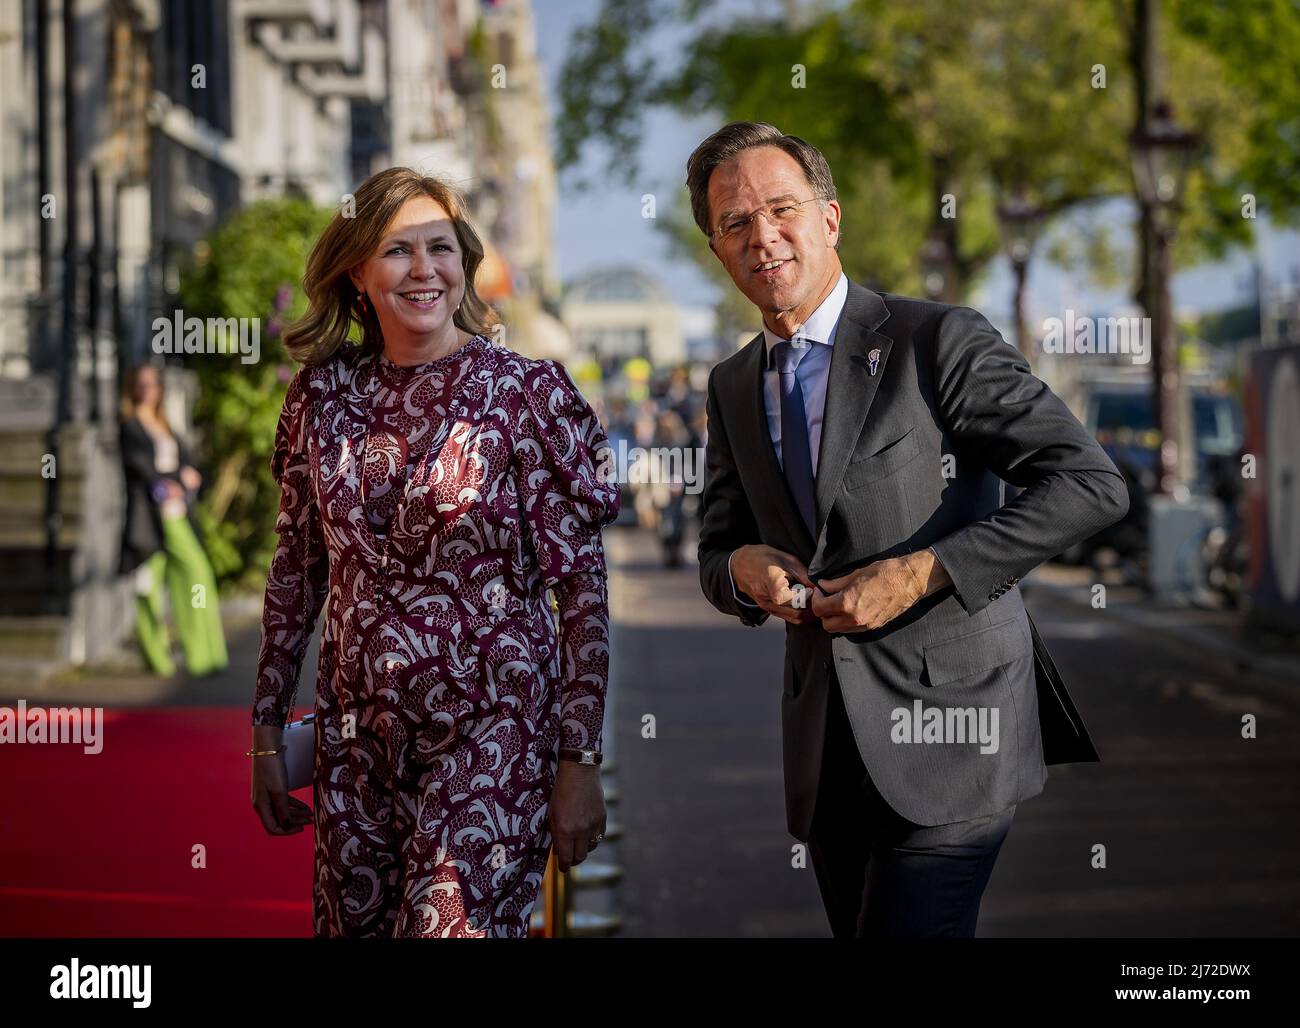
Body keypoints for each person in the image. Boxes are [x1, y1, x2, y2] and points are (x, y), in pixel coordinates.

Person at [690, 122, 1128, 938]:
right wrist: (741, 570)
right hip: (826, 756)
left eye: (781, 209)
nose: (763, 236)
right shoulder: (731, 385)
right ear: (715, 248)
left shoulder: (936, 339)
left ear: (830, 218)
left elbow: (1089, 484)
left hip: (957, 732)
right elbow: (716, 548)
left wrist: (925, 570)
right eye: (735, 223)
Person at [248, 166, 620, 938]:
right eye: (397, 250)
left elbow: (581, 593)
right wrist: (265, 730)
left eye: (440, 248)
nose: (424, 270)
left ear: (465, 263)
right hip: (356, 741)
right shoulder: (321, 397)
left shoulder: (525, 394)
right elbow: (296, 572)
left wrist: (578, 761)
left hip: (494, 731)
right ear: (357, 271)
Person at [118, 364, 229, 678]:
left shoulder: (165, 423)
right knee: (147, 588)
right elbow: (140, 470)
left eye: (152, 383)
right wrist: (171, 481)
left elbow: (186, 461)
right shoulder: (130, 425)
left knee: (197, 578)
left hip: (177, 514)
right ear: (133, 387)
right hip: (148, 520)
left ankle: (203, 655)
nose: (147, 389)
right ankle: (158, 659)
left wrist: (187, 476)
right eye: (141, 383)